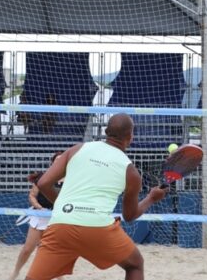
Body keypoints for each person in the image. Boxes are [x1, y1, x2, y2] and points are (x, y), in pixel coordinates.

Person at [26, 113, 167, 280]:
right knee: (135, 264)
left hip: (62, 223)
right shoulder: (131, 171)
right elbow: (129, 216)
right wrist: (151, 198)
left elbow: (42, 184)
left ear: (106, 131)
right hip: (97, 227)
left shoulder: (77, 149)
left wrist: (63, 203)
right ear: (130, 137)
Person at [8, 152, 65, 280]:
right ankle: (16, 272)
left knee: (55, 250)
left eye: (62, 160)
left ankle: (60, 277)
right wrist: (40, 208)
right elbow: (32, 196)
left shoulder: (71, 180)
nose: (59, 162)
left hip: (58, 218)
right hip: (40, 215)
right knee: (28, 249)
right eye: (57, 160)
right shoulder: (43, 177)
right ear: (52, 162)